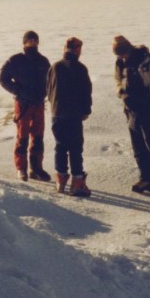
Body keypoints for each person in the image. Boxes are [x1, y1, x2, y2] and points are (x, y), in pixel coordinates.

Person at [113, 36, 150, 198]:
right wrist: (122, 93)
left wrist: (148, 93)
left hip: (149, 106)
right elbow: (117, 79)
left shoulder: (149, 61)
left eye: (122, 54)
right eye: (118, 55)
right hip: (131, 108)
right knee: (138, 145)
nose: (121, 57)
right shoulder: (120, 63)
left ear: (128, 49)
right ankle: (145, 179)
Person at [0, 31, 52, 181]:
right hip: (23, 104)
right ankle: (21, 168)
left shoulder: (43, 61)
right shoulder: (15, 60)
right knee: (22, 137)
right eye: (29, 40)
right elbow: (3, 78)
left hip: (38, 103)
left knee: (38, 137)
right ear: (24, 43)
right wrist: (18, 91)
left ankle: (36, 168)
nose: (33, 42)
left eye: (35, 40)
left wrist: (45, 94)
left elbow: (50, 80)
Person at [47, 37, 93, 196]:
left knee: (60, 146)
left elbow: (49, 88)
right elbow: (86, 92)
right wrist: (86, 110)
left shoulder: (55, 66)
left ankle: (60, 180)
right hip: (73, 114)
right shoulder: (80, 68)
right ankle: (77, 183)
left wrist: (54, 106)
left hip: (56, 113)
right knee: (75, 148)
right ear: (76, 49)